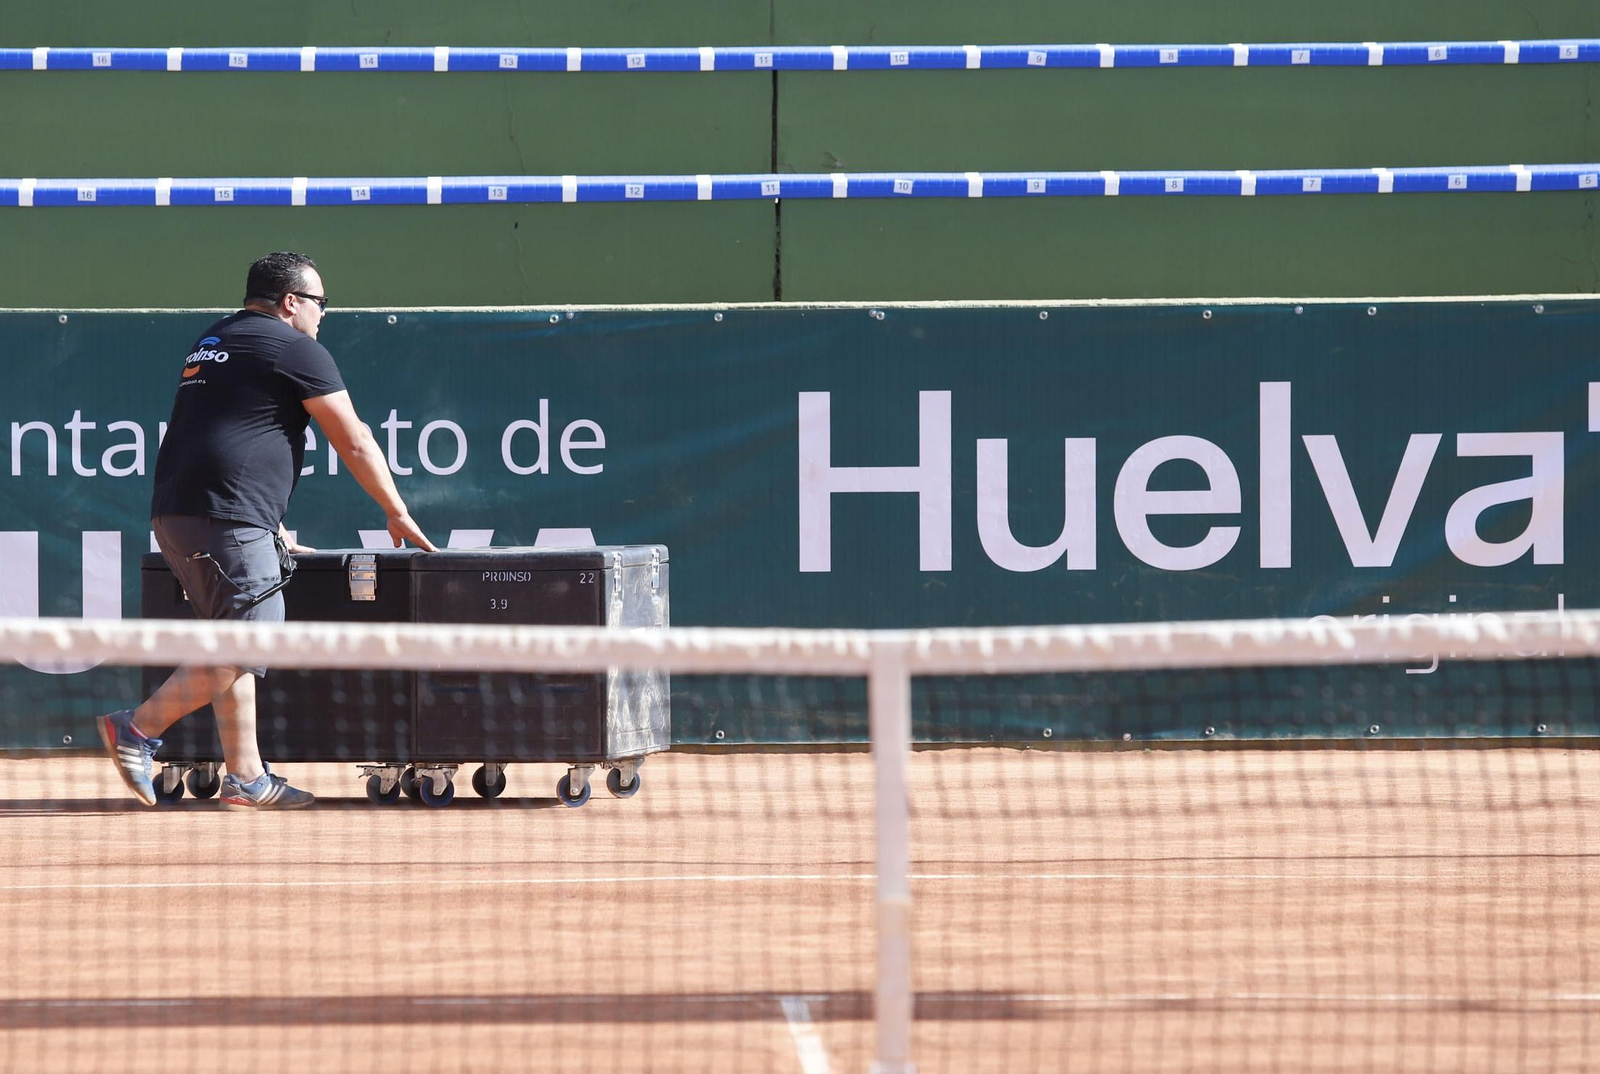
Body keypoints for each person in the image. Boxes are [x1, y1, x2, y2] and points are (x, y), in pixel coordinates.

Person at [98, 252, 436, 810]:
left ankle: (247, 778)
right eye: (320, 303)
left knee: (235, 642)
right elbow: (352, 439)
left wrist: (266, 521)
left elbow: (232, 429)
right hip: (224, 517)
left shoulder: (215, 338)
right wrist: (395, 510)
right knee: (254, 638)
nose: (323, 316)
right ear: (291, 302)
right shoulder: (294, 347)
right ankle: (136, 729)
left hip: (182, 513)